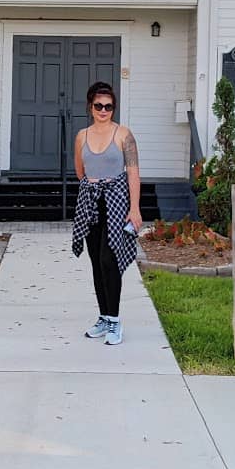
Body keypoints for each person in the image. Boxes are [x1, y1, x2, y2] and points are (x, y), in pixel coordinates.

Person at [70, 80, 142, 345]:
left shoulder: (124, 135)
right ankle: (103, 317)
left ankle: (114, 320)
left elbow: (133, 173)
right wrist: (94, 186)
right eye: (98, 105)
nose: (103, 110)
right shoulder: (82, 136)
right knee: (96, 262)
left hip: (117, 202)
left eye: (108, 106)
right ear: (90, 107)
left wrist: (134, 208)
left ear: (114, 108)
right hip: (90, 202)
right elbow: (80, 172)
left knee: (109, 260)